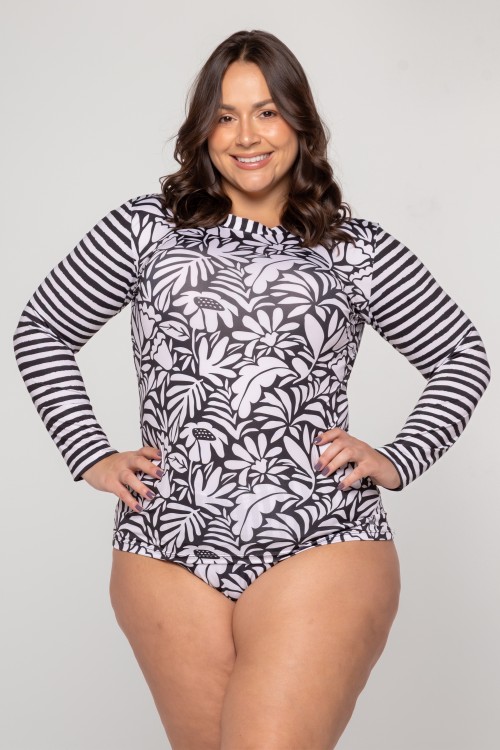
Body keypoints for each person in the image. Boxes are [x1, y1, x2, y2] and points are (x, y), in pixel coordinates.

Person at [13, 28, 491, 750]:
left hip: (321, 532)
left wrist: (400, 456)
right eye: (226, 115)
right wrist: (89, 452)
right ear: (202, 130)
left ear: (300, 121)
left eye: (267, 112)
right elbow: (43, 328)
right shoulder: (144, 229)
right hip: (163, 541)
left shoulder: (354, 247)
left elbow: (460, 352)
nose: (246, 136)